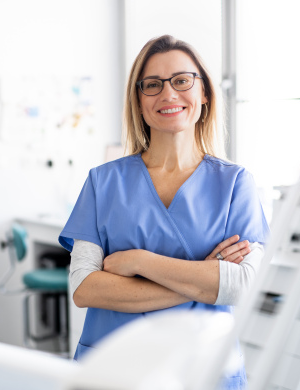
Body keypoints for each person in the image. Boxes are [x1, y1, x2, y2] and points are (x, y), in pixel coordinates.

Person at [58, 34, 270, 389]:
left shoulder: (236, 184)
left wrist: (140, 262)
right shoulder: (102, 182)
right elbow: (84, 288)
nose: (168, 94)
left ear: (204, 93)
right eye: (153, 85)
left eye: (182, 80)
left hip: (203, 367)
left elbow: (242, 286)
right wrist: (205, 278)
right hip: (115, 367)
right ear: (139, 102)